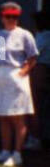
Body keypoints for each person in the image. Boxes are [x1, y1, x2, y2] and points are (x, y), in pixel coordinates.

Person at [0, 1, 39, 167]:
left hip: (16, 74)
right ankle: (5, 151)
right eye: (8, 16)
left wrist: (22, 72)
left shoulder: (24, 35)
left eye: (14, 17)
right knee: (2, 116)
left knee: (17, 116)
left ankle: (17, 154)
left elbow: (32, 58)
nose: (11, 20)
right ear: (2, 17)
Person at [28, 9, 50, 151]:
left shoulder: (43, 36)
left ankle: (35, 139)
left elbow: (33, 53)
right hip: (45, 69)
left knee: (34, 105)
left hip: (40, 70)